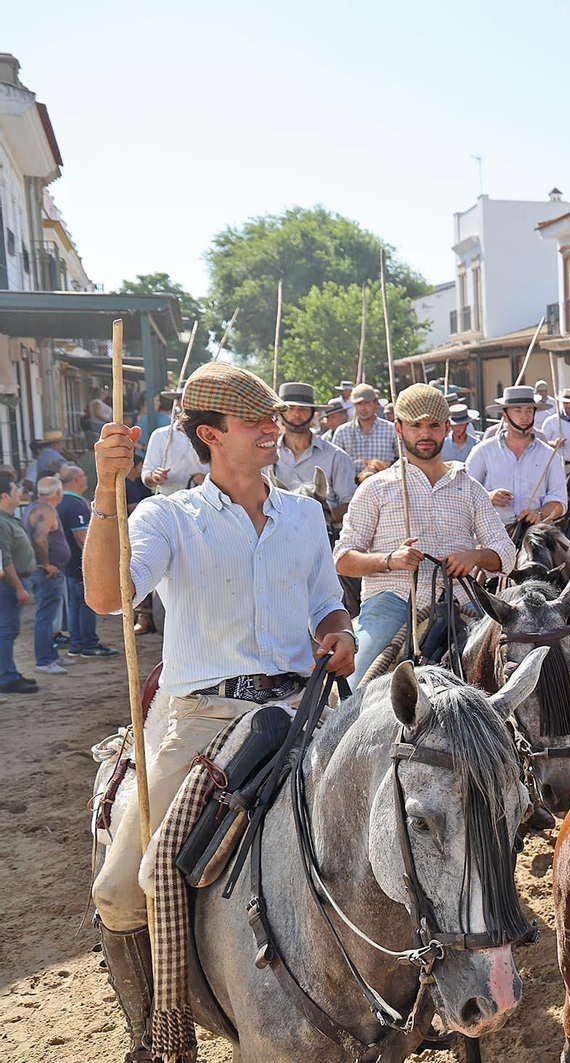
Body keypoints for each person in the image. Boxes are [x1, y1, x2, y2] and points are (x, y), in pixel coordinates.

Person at [82, 362, 355, 1061]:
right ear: (209, 435)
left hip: (301, 706)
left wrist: (340, 633)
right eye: (254, 420)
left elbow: (327, 603)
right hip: (202, 717)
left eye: (273, 417)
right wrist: (107, 491)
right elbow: (108, 597)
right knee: (121, 890)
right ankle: (156, 1033)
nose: (273, 428)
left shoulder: (304, 514)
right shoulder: (165, 516)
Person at [336, 383, 517, 682]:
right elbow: (343, 559)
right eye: (415, 426)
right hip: (392, 601)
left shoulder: (469, 487)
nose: (425, 434)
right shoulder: (375, 488)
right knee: (354, 683)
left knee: (511, 671)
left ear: (446, 427)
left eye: (433, 425)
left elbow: (506, 553)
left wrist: (474, 556)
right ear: (399, 428)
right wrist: (389, 560)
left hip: (461, 600)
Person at [465, 384, 565, 538]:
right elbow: (463, 494)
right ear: (505, 415)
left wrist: (539, 513)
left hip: (535, 535)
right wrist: (488, 497)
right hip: (489, 534)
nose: (524, 417)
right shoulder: (482, 452)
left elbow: (560, 501)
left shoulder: (550, 456)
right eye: (518, 411)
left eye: (529, 411)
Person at [272, 382, 357, 521]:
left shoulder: (336, 456)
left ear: (312, 414)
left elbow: (350, 504)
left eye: (303, 409)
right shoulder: (266, 456)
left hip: (324, 530)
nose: (296, 414)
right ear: (280, 414)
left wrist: (317, 518)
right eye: (290, 409)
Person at [56, 464, 114, 657]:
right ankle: (89, 643)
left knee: (74, 606)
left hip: (69, 564)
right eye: (83, 475)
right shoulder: (75, 504)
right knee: (87, 605)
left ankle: (77, 643)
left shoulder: (60, 501)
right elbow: (82, 537)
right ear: (76, 480)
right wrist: (97, 561)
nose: (86, 478)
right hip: (80, 565)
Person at [25, 476, 71, 676]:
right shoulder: (47, 510)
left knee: (47, 617)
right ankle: (44, 660)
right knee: (46, 617)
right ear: (58, 493)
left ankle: (50, 656)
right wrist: (46, 564)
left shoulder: (33, 507)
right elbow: (39, 538)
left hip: (44, 571)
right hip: (47, 573)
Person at [0, 473, 38, 693]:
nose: (19, 494)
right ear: (4, 496)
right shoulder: (2, 522)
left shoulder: (8, 519)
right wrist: (19, 588)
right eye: (15, 490)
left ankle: (9, 671)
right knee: (7, 631)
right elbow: (6, 560)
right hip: (9, 585)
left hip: (14, 582)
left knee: (8, 630)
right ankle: (6, 676)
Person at [142, 393, 210, 496]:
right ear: (177, 403)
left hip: (203, 498)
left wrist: (207, 480)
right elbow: (146, 475)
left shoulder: (211, 436)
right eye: (185, 400)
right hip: (168, 498)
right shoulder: (160, 435)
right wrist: (154, 476)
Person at [331, 382, 399, 465]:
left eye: (367, 403)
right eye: (359, 404)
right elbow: (334, 463)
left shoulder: (391, 430)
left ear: (375, 403)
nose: (363, 408)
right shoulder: (342, 432)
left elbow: (403, 459)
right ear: (353, 405)